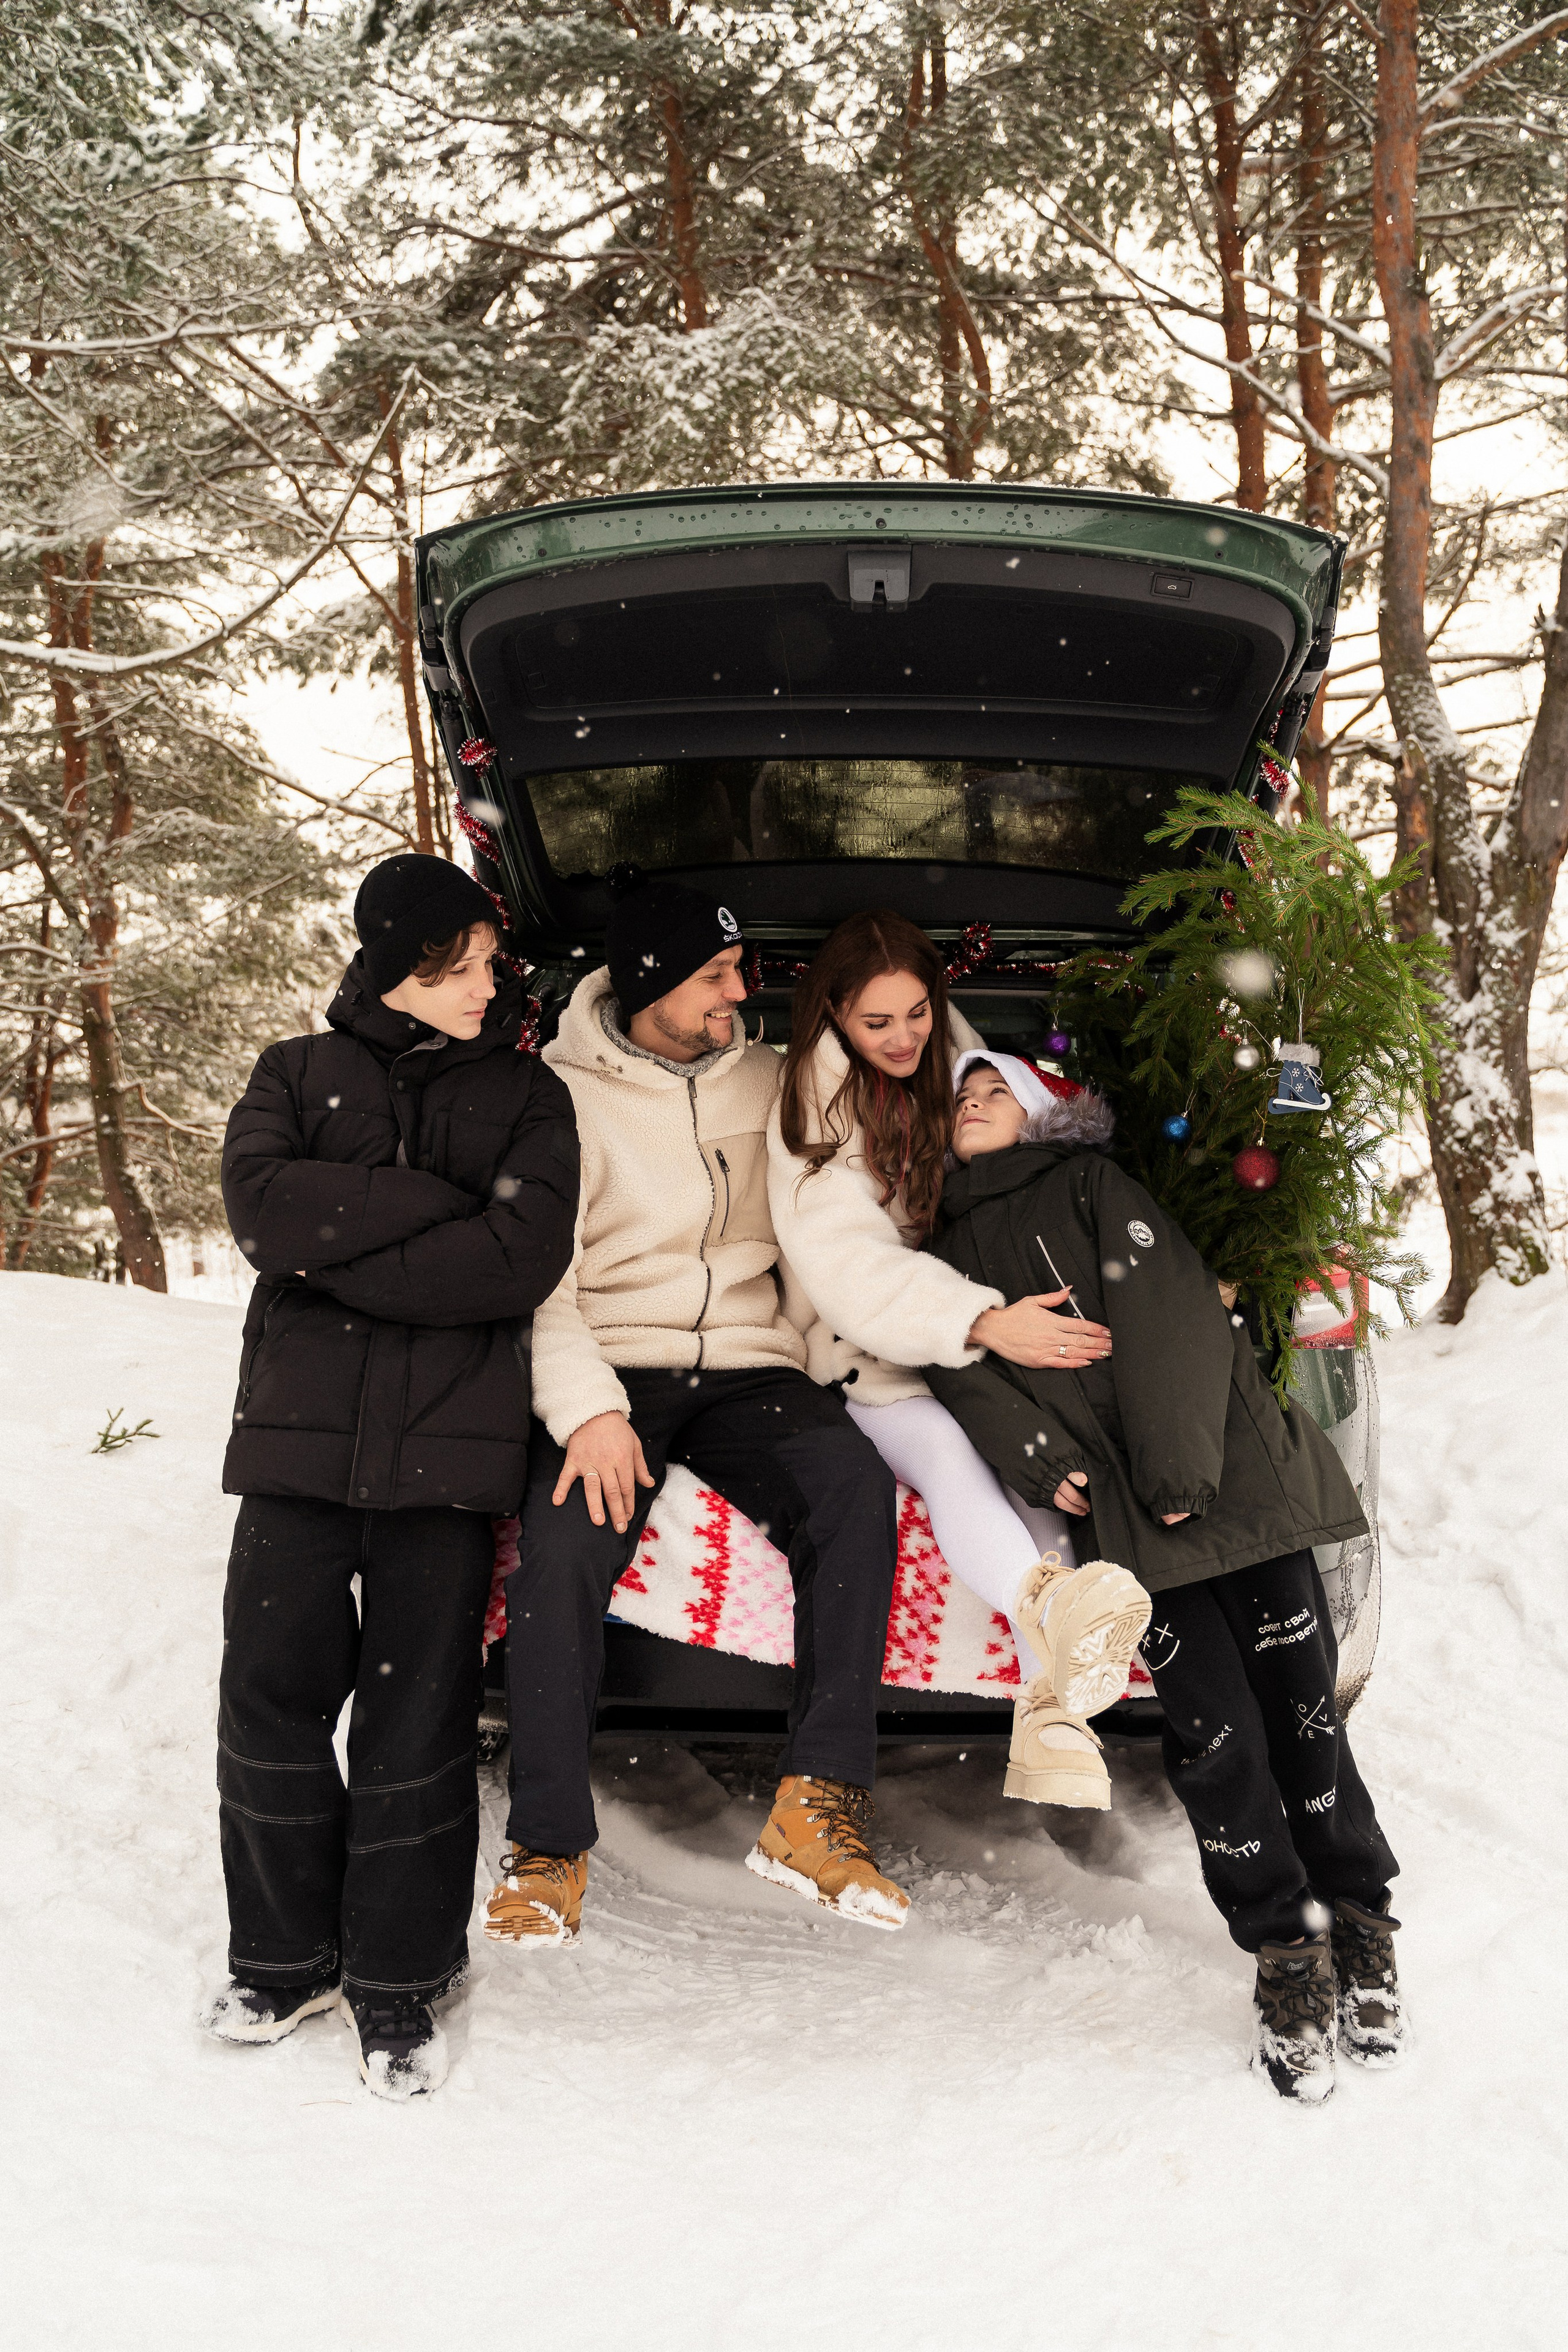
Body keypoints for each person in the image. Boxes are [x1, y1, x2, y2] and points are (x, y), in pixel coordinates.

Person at [922, 1051, 1406, 2103]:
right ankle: (1286, 1949)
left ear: (1047, 1109)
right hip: (1132, 1527)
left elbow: (1173, 1315)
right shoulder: (945, 1252)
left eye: (995, 1087)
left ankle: (1360, 1919)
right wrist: (1047, 1468)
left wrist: (1182, 1465)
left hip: (1229, 1482)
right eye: (959, 1095)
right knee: (1216, 1738)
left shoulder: (1092, 1185)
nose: (972, 1101)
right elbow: (967, 1378)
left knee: (1301, 1713)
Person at [198, 854, 579, 2100]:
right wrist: (430, 1204)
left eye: (485, 964)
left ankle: (400, 1983)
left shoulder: (530, 1099)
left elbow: (513, 1261)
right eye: (460, 964)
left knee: (415, 1729)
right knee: (270, 1711)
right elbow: (264, 1217)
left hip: (447, 1468)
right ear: (400, 963)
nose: (484, 985)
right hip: (298, 1455)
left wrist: (344, 1242)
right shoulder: (292, 1073)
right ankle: (281, 1957)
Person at [485, 869, 911, 1950]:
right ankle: (547, 1850)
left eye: (739, 970)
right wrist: (586, 1412)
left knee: (853, 1489)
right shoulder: (555, 1098)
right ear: (649, 983)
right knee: (565, 1550)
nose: (738, 991)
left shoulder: (775, 1078)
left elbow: (843, 1206)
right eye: (715, 975)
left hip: (754, 1368)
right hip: (615, 1364)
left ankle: (817, 1808)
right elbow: (541, 1282)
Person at [767, 910, 1152, 1811]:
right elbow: (852, 1272)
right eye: (877, 1023)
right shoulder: (809, 1113)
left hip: (981, 1322)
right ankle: (1050, 1609)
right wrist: (983, 1321)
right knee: (948, 1450)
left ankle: (1048, 1719)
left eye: (917, 1015)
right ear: (832, 1016)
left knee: (1040, 1459)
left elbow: (1047, 1161)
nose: (903, 1039)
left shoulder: (957, 1066)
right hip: (873, 1348)